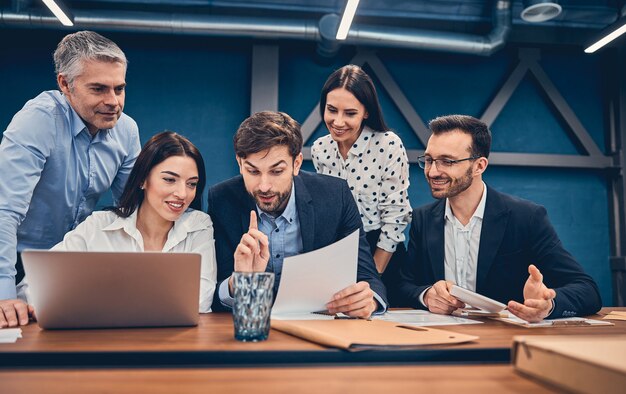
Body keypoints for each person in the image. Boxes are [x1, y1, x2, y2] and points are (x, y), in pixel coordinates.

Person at [0, 131, 217, 328]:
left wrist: (97, 302)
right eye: (170, 180)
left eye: (192, 184)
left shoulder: (199, 225)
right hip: (100, 343)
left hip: (174, 346)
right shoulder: (99, 225)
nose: (182, 193)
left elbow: (200, 299)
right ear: (142, 179)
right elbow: (36, 285)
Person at [398, 114, 601, 322]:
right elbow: (403, 285)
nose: (432, 171)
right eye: (429, 160)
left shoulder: (527, 217)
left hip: (505, 342)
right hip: (443, 341)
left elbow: (588, 290)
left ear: (479, 166)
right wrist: (426, 295)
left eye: (447, 161)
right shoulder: (423, 219)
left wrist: (547, 306)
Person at [0, 31, 141, 302]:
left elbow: (133, 211)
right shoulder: (38, 120)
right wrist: (3, 295)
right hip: (18, 259)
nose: (113, 101)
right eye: (98, 89)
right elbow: (4, 210)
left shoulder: (127, 130)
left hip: (76, 259)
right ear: (65, 84)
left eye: (119, 89)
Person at [208, 111, 387, 318]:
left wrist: (368, 300)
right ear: (240, 164)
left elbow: (368, 277)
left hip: (319, 327)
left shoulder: (335, 196)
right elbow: (213, 292)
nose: (264, 186)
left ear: (297, 164)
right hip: (251, 325)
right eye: (253, 172)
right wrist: (237, 282)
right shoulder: (222, 200)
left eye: (276, 171)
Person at [311, 65, 411, 305]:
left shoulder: (388, 144)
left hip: (380, 249)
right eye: (331, 110)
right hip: (339, 252)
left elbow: (396, 216)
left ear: (366, 112)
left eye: (350, 113)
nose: (338, 121)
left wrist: (373, 276)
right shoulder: (320, 149)